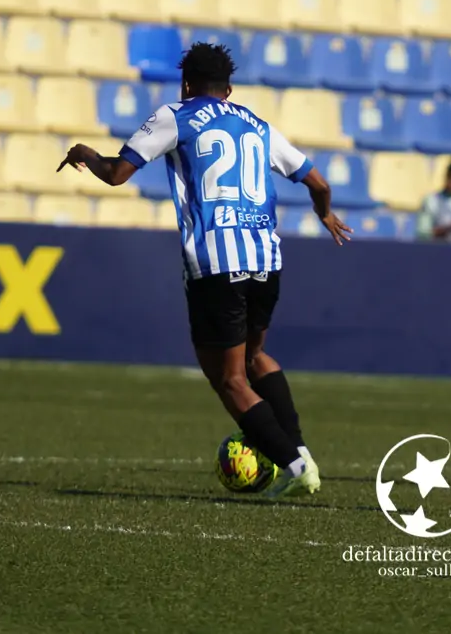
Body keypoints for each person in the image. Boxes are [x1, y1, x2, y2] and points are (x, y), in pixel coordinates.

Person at [56, 42, 352, 499]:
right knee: (256, 358)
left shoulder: (176, 115)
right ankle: (301, 450)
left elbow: (116, 173)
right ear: (229, 89)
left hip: (216, 262)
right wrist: (325, 214)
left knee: (229, 378)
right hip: (265, 258)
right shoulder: (257, 124)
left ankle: (294, 467)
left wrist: (85, 153)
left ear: (186, 84)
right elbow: (319, 181)